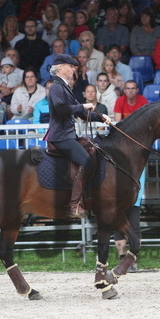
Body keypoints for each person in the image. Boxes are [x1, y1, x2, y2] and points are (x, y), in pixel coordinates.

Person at [44, 54, 110, 217]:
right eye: (70, 66)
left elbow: (80, 111)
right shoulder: (56, 87)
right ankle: (74, 205)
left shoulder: (65, 87)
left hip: (68, 135)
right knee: (86, 161)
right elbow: (62, 109)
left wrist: (101, 117)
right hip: (60, 136)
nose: (74, 69)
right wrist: (82, 105)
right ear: (60, 68)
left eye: (74, 66)